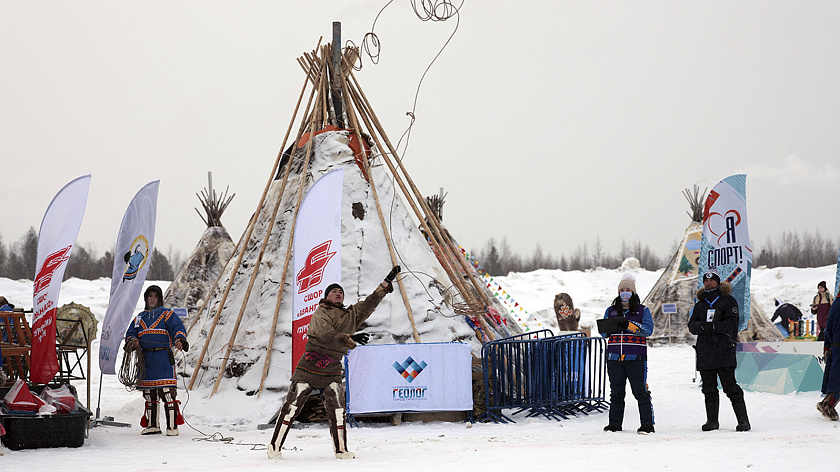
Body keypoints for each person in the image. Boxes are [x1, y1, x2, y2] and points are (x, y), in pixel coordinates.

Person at [267, 265, 401, 460]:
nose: (338, 294)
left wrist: (386, 283)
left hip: (332, 368)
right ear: (326, 296)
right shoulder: (321, 312)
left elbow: (371, 302)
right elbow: (325, 334)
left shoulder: (351, 315)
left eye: (340, 292)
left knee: (337, 410)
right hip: (310, 366)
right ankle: (274, 446)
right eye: (333, 291)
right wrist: (351, 337)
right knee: (292, 407)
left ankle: (341, 450)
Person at [688, 269, 750, 432]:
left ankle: (743, 421)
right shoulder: (700, 304)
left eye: (711, 280)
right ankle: (712, 421)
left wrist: (714, 327)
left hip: (724, 351)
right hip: (705, 352)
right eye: (706, 281)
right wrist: (701, 326)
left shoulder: (728, 301)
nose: (708, 283)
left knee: (730, 387)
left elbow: (732, 323)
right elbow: (691, 325)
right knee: (708, 388)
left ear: (718, 282)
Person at [124, 285, 189, 436]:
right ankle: (153, 425)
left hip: (163, 359)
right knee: (149, 394)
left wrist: (179, 339)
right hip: (146, 360)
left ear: (159, 299)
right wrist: (132, 341)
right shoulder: (139, 318)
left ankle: (172, 426)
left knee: (167, 393)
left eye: (155, 296)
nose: (152, 299)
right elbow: (130, 333)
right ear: (146, 298)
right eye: (150, 296)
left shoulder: (168, 315)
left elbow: (178, 328)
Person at [599, 274, 655, 434]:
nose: (625, 292)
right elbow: (604, 334)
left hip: (635, 357)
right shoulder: (610, 310)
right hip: (615, 357)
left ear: (633, 292)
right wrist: (608, 327)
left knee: (640, 391)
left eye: (628, 290)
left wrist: (630, 325)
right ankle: (614, 424)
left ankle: (647, 425)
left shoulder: (642, 310)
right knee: (616, 392)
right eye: (622, 290)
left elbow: (648, 331)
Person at [817, 295, 840, 421]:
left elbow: (829, 326)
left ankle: (826, 403)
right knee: (837, 379)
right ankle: (829, 404)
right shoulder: (838, 303)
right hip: (838, 346)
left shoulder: (836, 303)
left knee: (836, 378)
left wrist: (827, 346)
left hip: (835, 346)